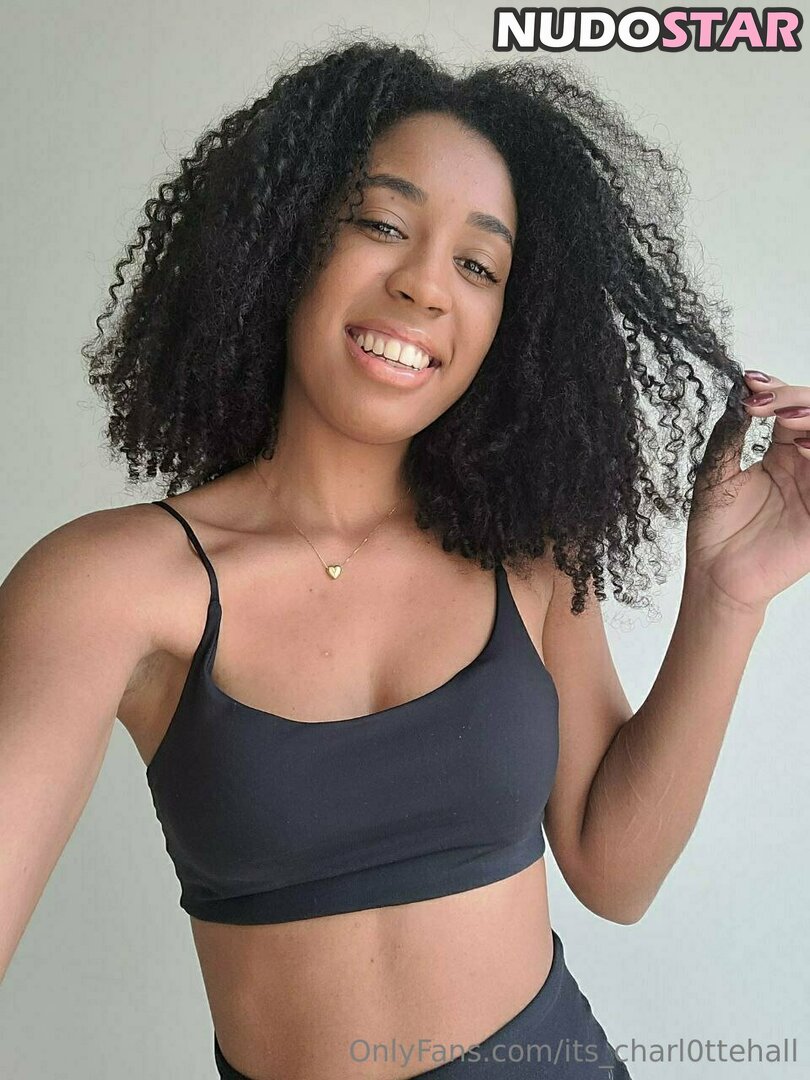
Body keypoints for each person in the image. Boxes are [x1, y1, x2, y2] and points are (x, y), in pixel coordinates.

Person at [2, 36, 808, 1080]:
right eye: (382, 224)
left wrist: (729, 597)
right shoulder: (108, 586)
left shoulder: (529, 558)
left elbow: (614, 873)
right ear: (286, 239)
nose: (426, 286)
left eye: (478, 265)